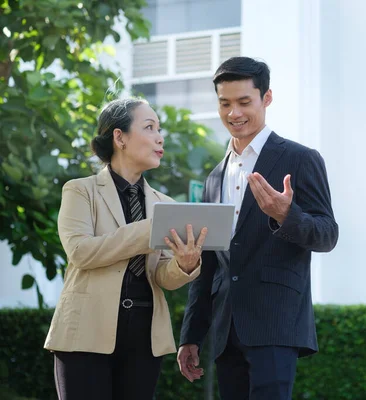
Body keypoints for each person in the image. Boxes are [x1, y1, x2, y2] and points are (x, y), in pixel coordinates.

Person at [177, 57, 339, 400]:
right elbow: (208, 262)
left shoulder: (300, 158)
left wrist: (286, 214)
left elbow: (327, 234)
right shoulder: (214, 177)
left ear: (266, 98)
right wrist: (191, 335)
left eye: (244, 102)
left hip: (275, 321)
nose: (233, 113)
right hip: (226, 330)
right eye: (225, 104)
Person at [44, 98, 208, 400]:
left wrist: (184, 264)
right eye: (149, 127)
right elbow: (81, 252)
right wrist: (150, 228)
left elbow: (161, 276)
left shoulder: (166, 204)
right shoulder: (81, 190)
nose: (160, 137)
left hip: (145, 337)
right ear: (119, 137)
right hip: (85, 333)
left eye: (160, 129)